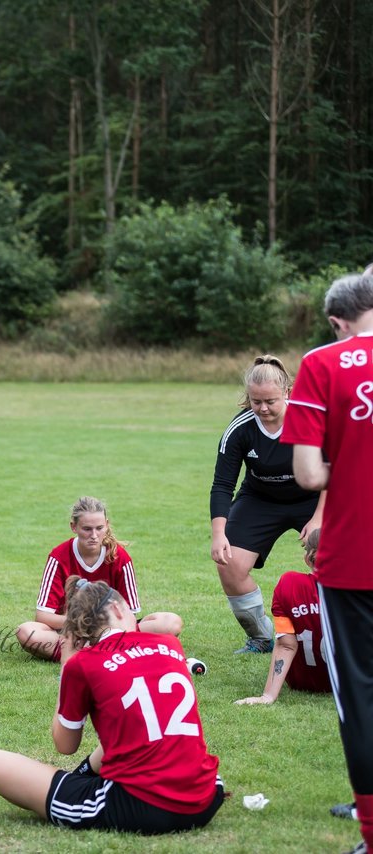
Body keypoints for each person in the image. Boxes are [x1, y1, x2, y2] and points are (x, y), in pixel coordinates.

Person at [0, 575, 224, 835]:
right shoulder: (169, 643)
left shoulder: (83, 663)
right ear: (118, 609)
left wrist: (66, 663)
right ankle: (84, 778)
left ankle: (83, 783)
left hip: (143, 806)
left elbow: (65, 745)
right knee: (131, 733)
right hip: (207, 793)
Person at [283, 271, 373, 853]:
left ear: (338, 320)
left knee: (362, 693)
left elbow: (310, 475)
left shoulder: (322, 364)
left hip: (355, 558)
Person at [210, 355, 323, 654]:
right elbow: (223, 484)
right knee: (229, 563)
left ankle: (342, 629)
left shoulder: (309, 418)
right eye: (255, 401)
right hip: (260, 499)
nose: (262, 408)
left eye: (270, 401)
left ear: (286, 392)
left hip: (314, 497)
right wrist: (219, 534)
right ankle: (261, 637)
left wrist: (319, 518)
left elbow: (334, 470)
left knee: (341, 556)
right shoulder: (241, 428)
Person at [16, 497, 183, 662]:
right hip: (71, 631)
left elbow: (130, 615)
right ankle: (110, 650)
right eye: (87, 529)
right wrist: (84, 622)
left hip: (113, 630)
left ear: (107, 525)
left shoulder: (120, 558)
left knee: (171, 622)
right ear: (73, 527)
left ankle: (83, 652)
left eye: (99, 528)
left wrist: (103, 627)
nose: (94, 535)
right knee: (26, 631)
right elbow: (43, 616)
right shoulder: (59, 556)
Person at [236, 527, 331, 705]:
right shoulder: (359, 591)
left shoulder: (289, 585)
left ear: (307, 558)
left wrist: (268, 696)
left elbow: (286, 645)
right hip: (350, 684)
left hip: (302, 682)